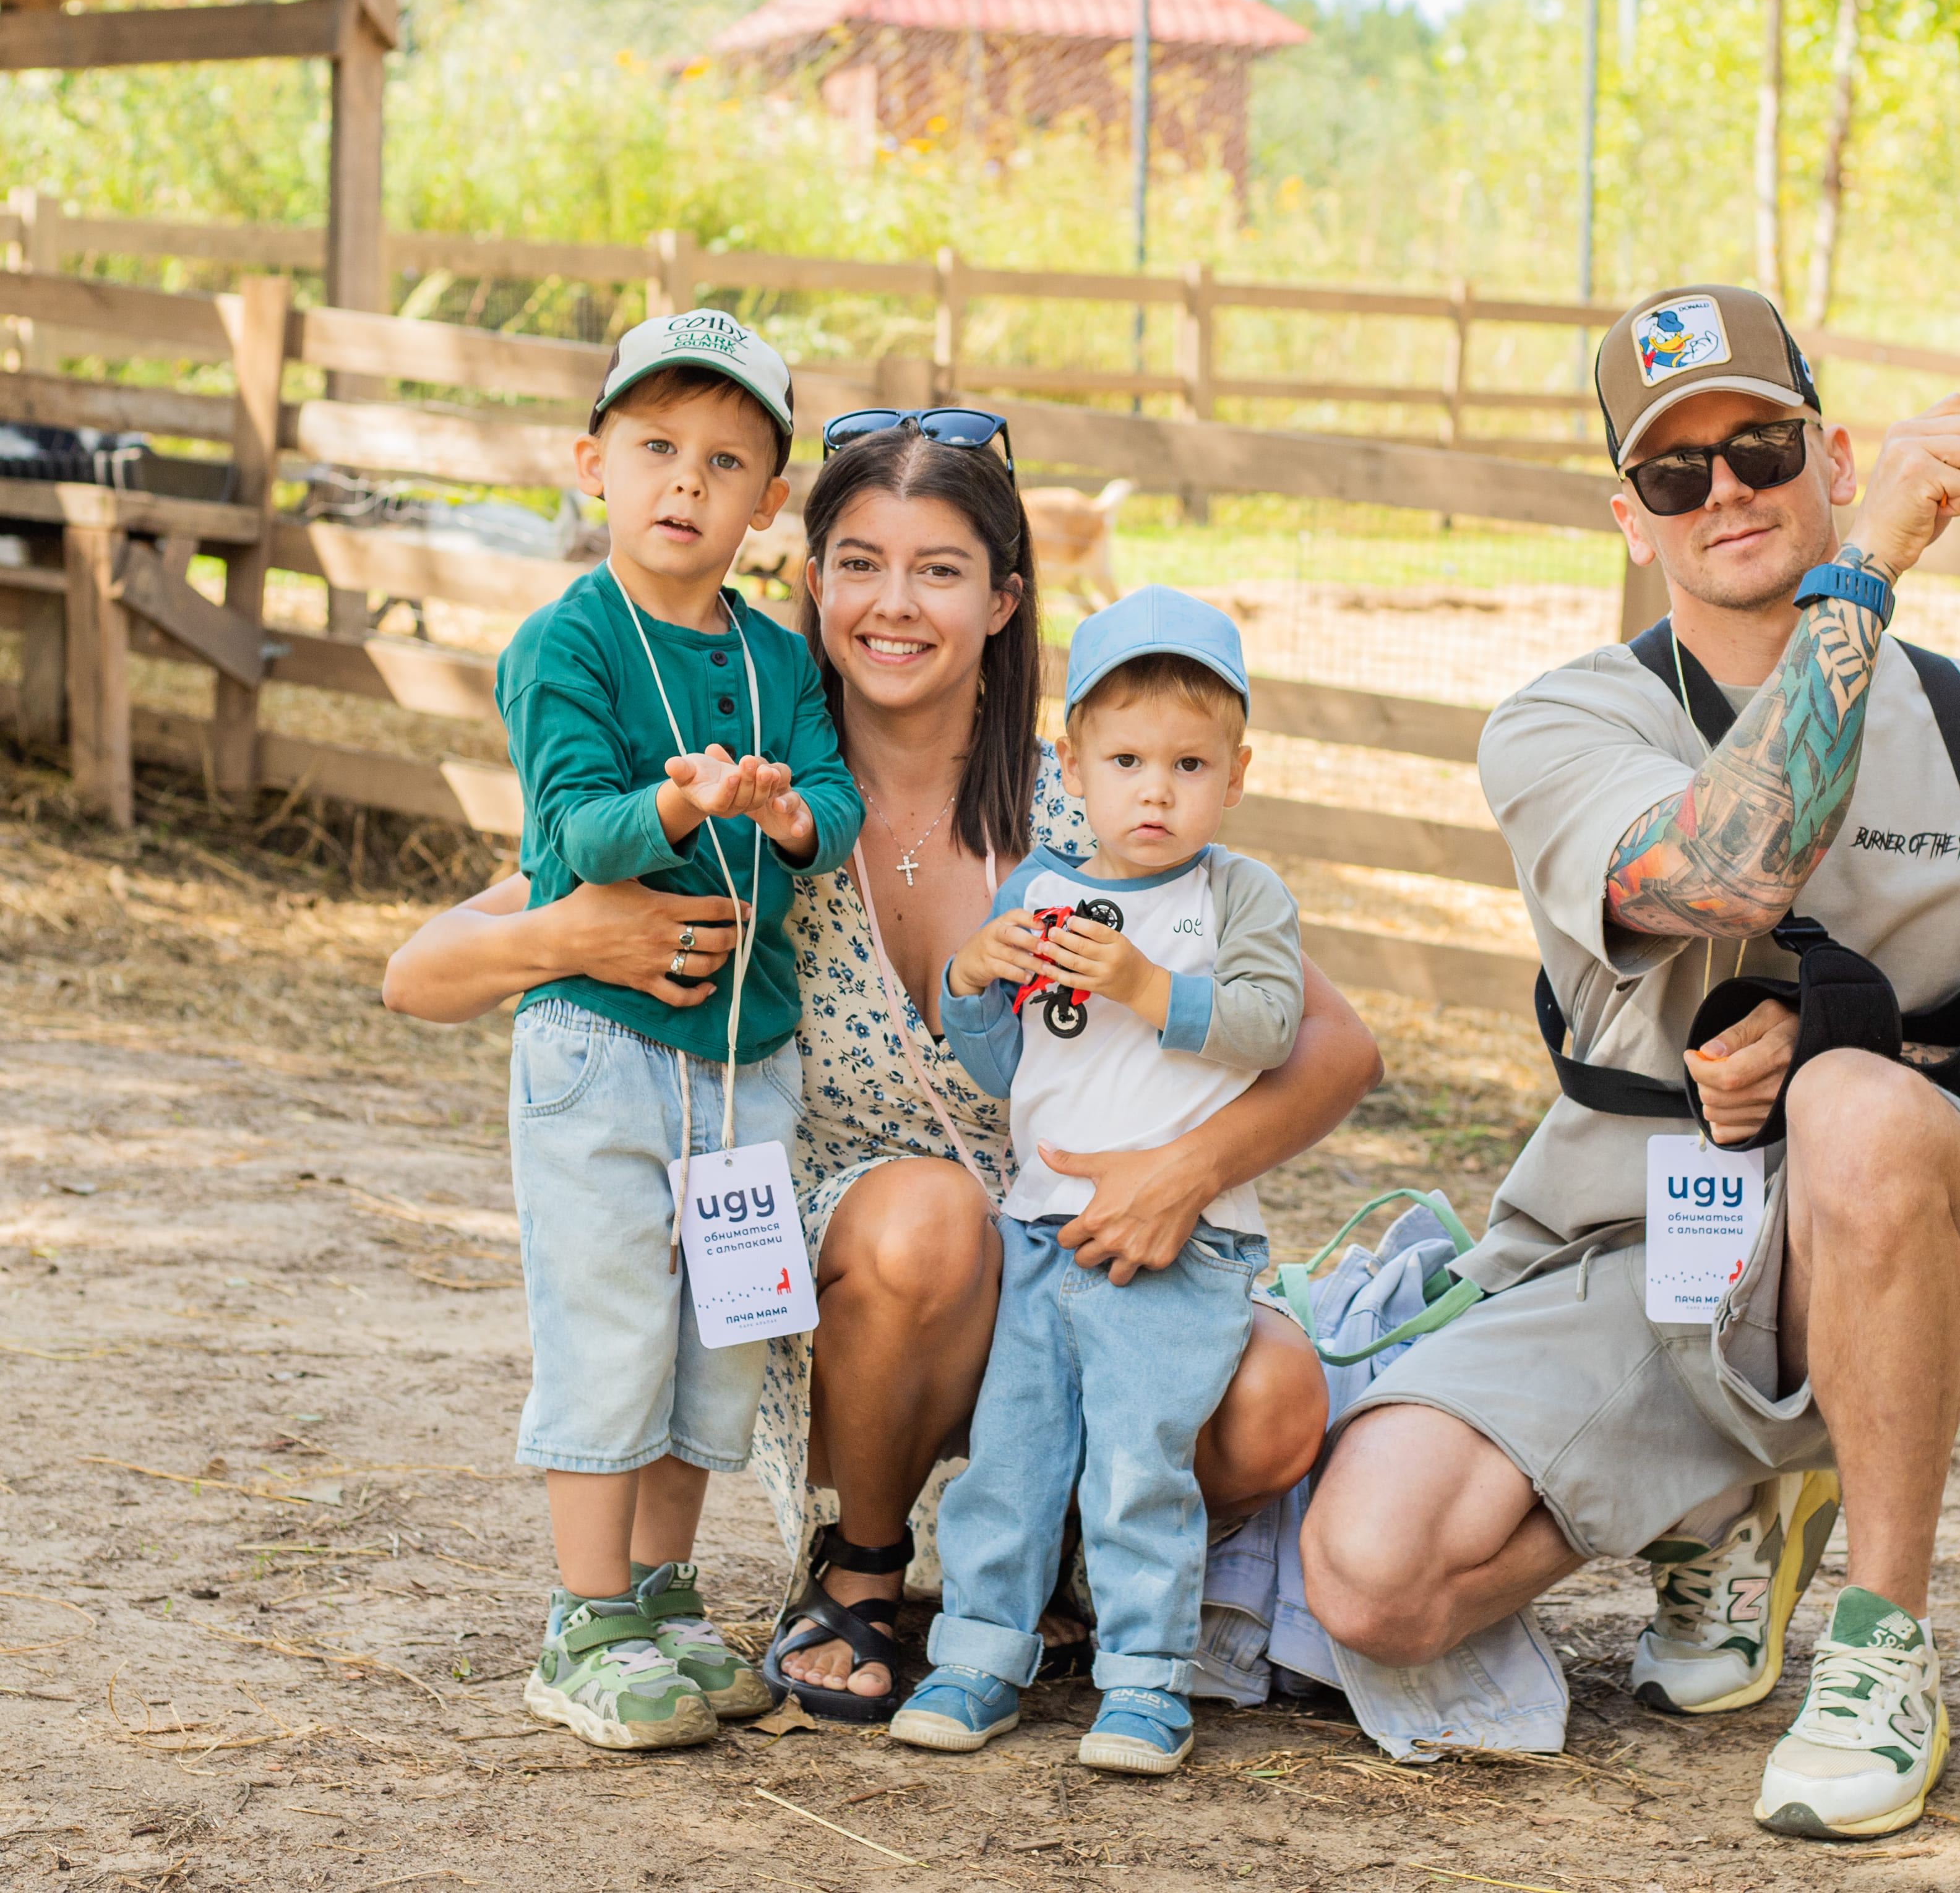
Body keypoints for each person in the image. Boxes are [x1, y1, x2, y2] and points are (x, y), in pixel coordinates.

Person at [1299, 286, 1960, 1840]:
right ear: (1629, 514)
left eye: (1760, 448)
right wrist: (1861, 582)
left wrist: (1867, 1058)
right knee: (1372, 1581)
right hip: (1623, 1248)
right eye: (1672, 472)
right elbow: (1728, 871)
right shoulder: (1566, 719)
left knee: (1851, 1110)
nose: (1722, 493)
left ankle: (1878, 1642)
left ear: (1828, 451)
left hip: (1906, 1259)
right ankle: (1717, 1496)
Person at [383, 415, 1373, 1725]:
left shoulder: (1098, 801)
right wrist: (570, 934)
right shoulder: (760, 808)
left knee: (1273, 1400)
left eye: (940, 569)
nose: (892, 605)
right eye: (858, 562)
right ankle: (860, 1563)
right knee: (925, 1212)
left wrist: (1182, 1173)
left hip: (1092, 1265)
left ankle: (1062, 1553)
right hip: (856, 1301)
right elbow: (422, 969)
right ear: (812, 581)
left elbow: (1335, 1044)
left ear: (1004, 597)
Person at [496, 311, 862, 1750]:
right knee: (608, 1322)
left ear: (766, 500)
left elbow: (828, 802)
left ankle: (663, 1591)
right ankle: (581, 1616)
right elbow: (572, 821)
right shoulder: (563, 644)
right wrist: (677, 806)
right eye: (655, 448)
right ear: (594, 462)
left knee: (721, 1327)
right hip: (600, 1049)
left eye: (725, 460)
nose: (685, 483)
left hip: (742, 1062)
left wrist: (785, 812)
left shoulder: (778, 661)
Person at [889, 590, 1302, 1770]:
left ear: (1237, 772)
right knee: (1012, 1454)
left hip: (1180, 1243)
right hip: (1036, 1229)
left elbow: (1271, 1025)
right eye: (1125, 760)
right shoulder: (1039, 890)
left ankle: (1144, 1682)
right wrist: (970, 974)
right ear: (1073, 764)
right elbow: (996, 1057)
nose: (1156, 791)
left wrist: (1145, 984)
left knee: (1136, 1461)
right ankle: (977, 1657)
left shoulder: (1237, 895)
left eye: (1188, 763)